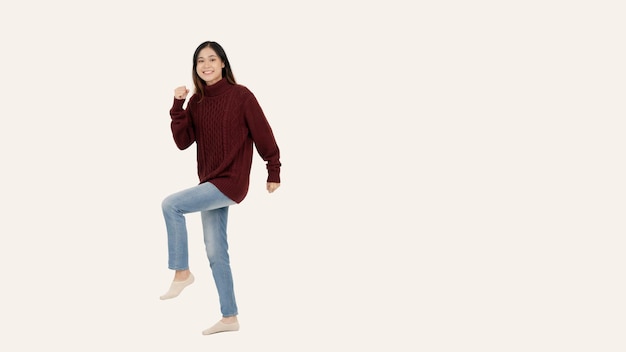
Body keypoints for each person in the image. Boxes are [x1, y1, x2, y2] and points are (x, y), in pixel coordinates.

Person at [159, 40, 281, 335]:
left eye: (212, 59)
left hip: (231, 181)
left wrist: (273, 168)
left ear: (223, 63)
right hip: (210, 182)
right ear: (195, 67)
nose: (206, 65)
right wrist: (178, 106)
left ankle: (182, 272)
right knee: (216, 251)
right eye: (200, 61)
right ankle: (230, 317)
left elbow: (263, 132)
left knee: (171, 204)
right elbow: (183, 142)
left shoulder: (241, 96)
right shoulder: (197, 102)